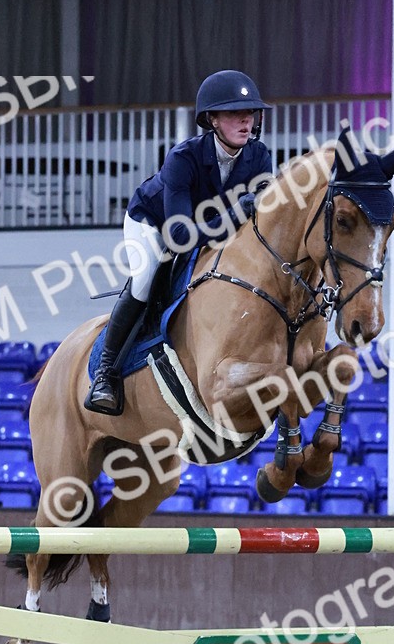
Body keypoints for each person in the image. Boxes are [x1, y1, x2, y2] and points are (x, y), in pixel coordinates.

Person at [85, 69, 273, 414]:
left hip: (209, 230)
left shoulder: (259, 157)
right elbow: (181, 237)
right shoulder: (183, 158)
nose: (246, 120)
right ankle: (106, 372)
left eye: (250, 113)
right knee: (145, 279)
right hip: (155, 224)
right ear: (213, 120)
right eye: (234, 113)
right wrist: (238, 211)